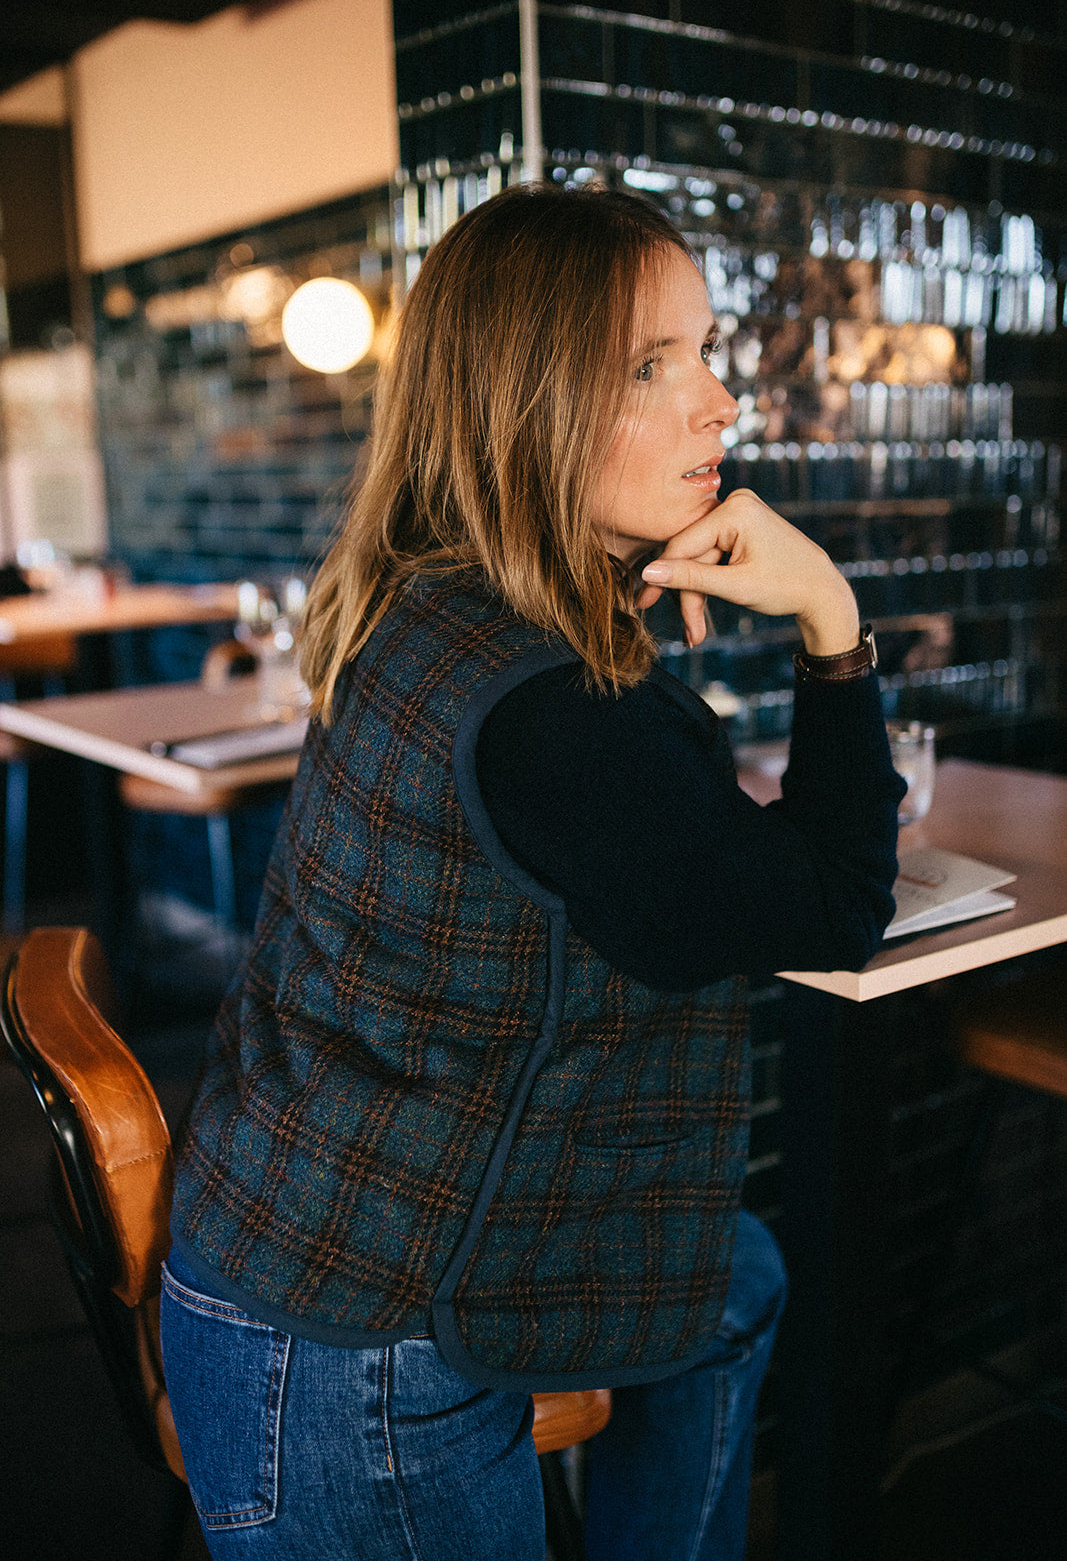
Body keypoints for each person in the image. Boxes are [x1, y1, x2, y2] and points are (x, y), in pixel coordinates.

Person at [160, 183, 904, 1560]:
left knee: (735, 1275)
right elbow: (838, 909)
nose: (721, 403)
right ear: (527, 406)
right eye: (651, 365)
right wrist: (830, 619)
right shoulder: (559, 714)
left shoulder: (431, 597)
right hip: (353, 1365)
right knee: (742, 1271)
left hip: (288, 1241)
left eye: (704, 350)